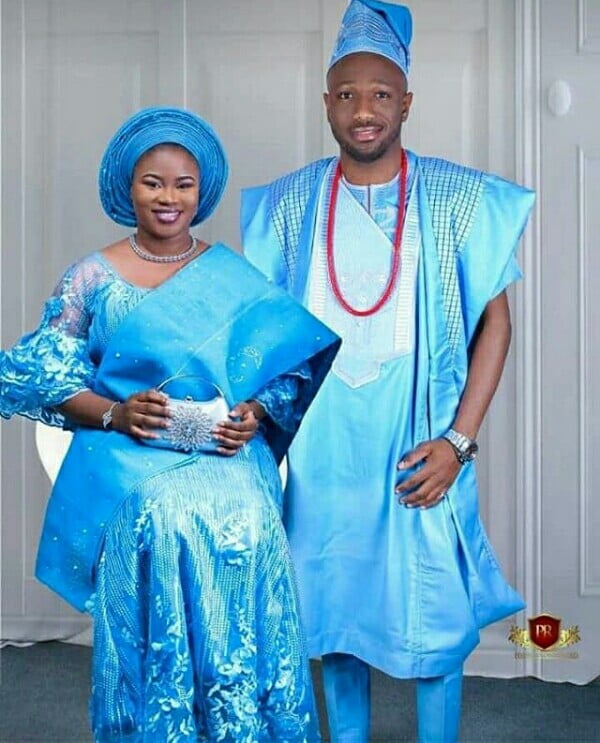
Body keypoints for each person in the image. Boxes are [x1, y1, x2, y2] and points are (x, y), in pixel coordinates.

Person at [241, 2, 535, 741]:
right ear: (326, 105)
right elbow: (264, 336)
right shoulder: (285, 205)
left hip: (420, 445)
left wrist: (459, 443)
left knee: (434, 621)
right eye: (346, 94)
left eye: (379, 93)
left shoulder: (460, 197)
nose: (363, 109)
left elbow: (496, 323)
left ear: (406, 101)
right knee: (333, 617)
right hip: (322, 455)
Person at [0, 106, 340, 742]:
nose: (168, 197)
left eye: (183, 184)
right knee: (166, 515)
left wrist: (255, 414)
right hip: (130, 458)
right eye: (152, 182)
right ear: (128, 188)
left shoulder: (232, 276)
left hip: (227, 454)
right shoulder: (92, 277)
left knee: (249, 513)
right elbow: (39, 377)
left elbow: (286, 368)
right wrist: (116, 411)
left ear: (200, 192)